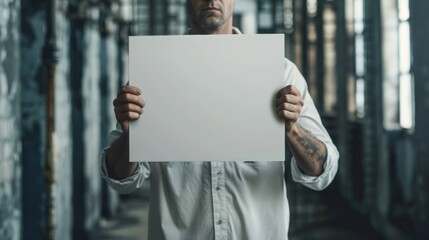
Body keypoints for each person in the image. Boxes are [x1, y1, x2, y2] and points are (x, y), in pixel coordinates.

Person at [101, 0, 339, 239]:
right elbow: (120, 180)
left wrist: (291, 130)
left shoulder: (280, 73)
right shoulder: (153, 73)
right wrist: (133, 134)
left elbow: (323, 172)